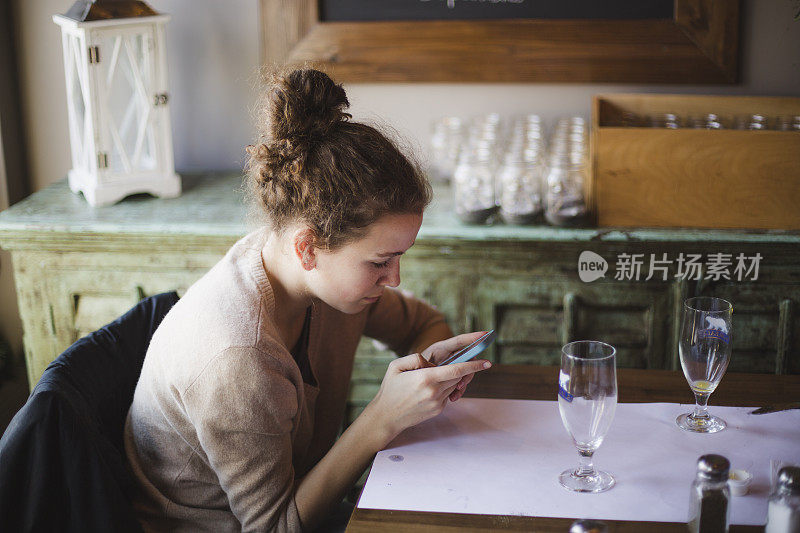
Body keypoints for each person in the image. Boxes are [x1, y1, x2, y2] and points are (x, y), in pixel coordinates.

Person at [123, 68, 491, 533]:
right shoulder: (238, 357)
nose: (394, 279)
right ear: (308, 247)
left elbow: (423, 323)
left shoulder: (321, 279)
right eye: (381, 261)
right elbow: (274, 528)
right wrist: (382, 418)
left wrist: (427, 377)